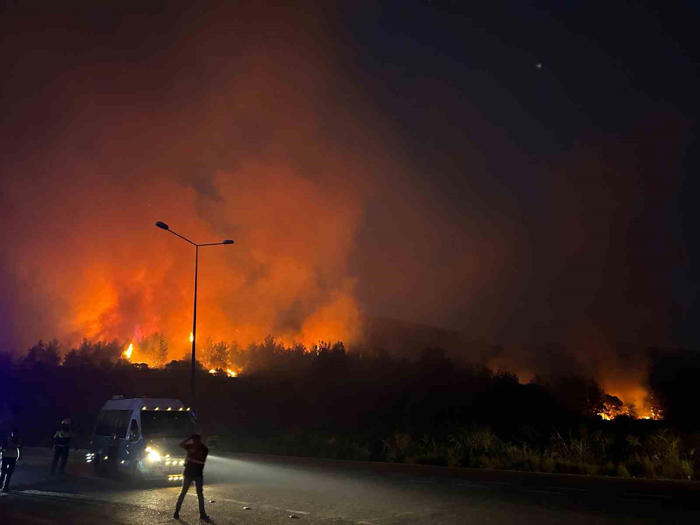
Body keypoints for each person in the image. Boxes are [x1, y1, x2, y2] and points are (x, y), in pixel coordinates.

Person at [173, 433, 210, 521]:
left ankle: (202, 514)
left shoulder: (204, 449)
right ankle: (176, 512)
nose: (194, 442)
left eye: (195, 441)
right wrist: (188, 438)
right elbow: (180, 445)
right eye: (193, 441)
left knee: (199, 494)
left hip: (196, 474)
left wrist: (191, 458)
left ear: (199, 441)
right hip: (189, 473)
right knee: (184, 493)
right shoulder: (191, 446)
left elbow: (201, 461)